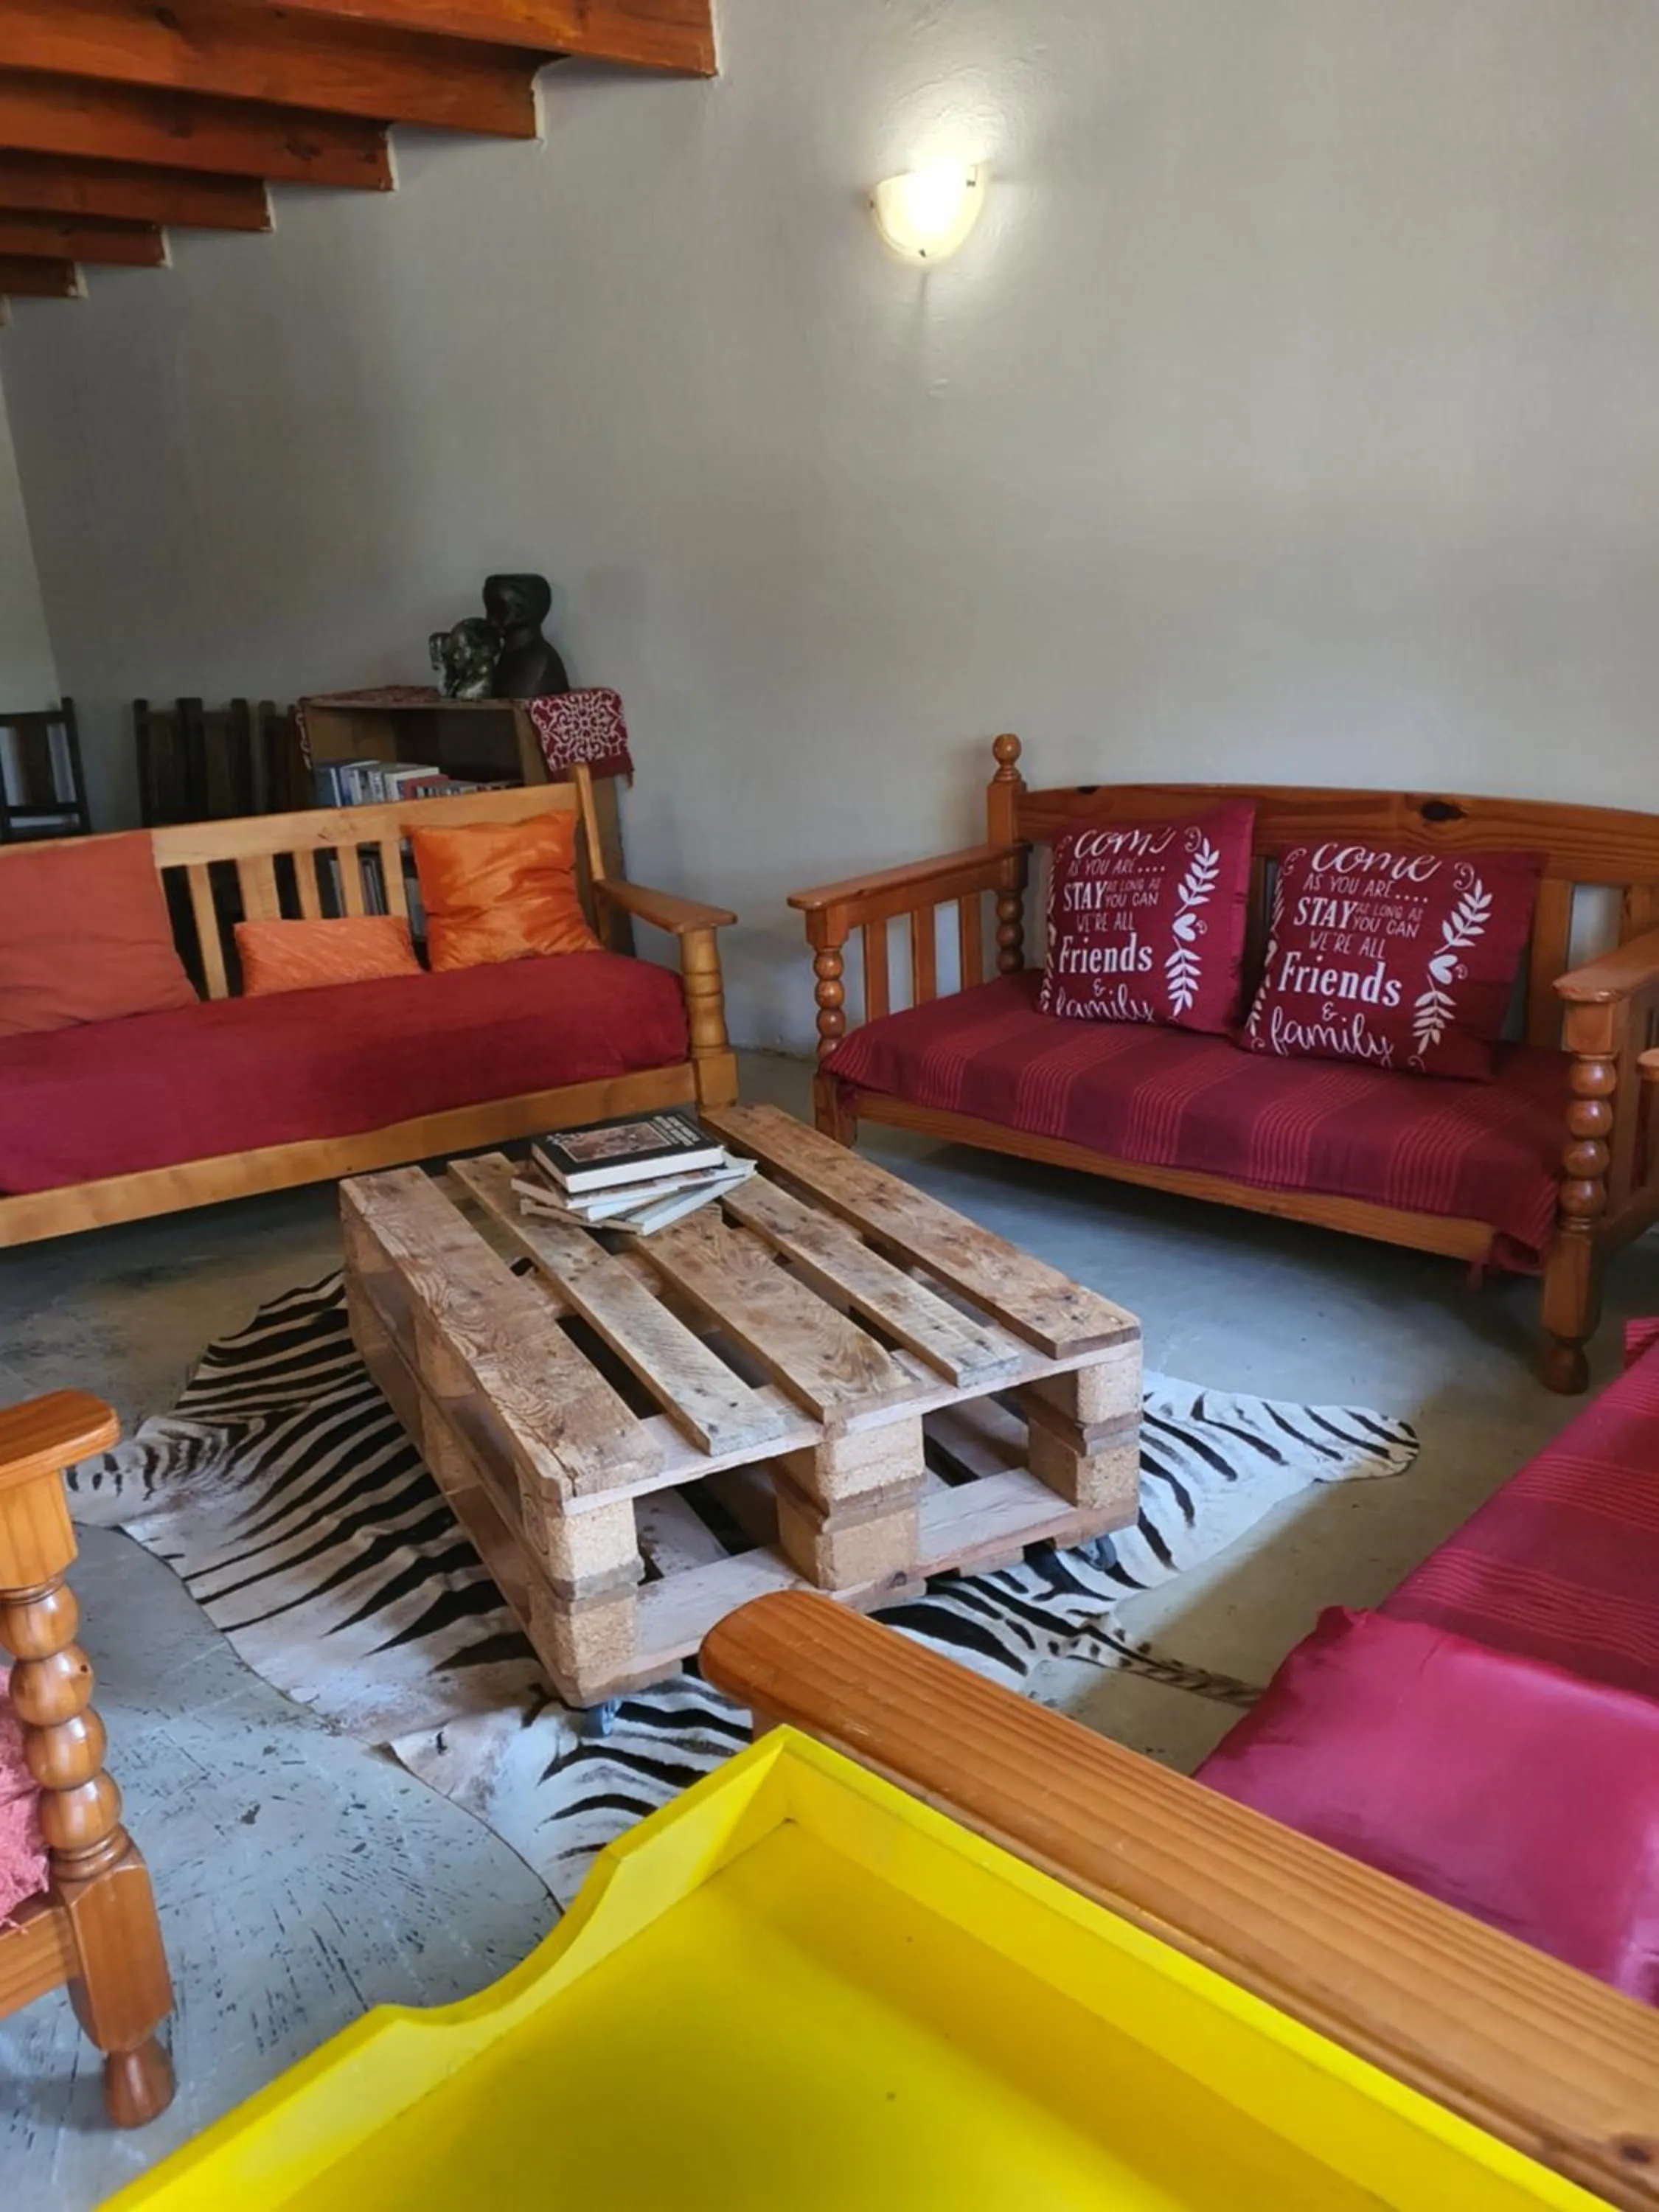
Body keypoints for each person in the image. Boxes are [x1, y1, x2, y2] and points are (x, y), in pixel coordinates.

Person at [483, 573, 570, 699]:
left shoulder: (539, 660)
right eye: (489, 609)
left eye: (499, 610)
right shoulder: (509, 653)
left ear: (523, 611)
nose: (490, 620)